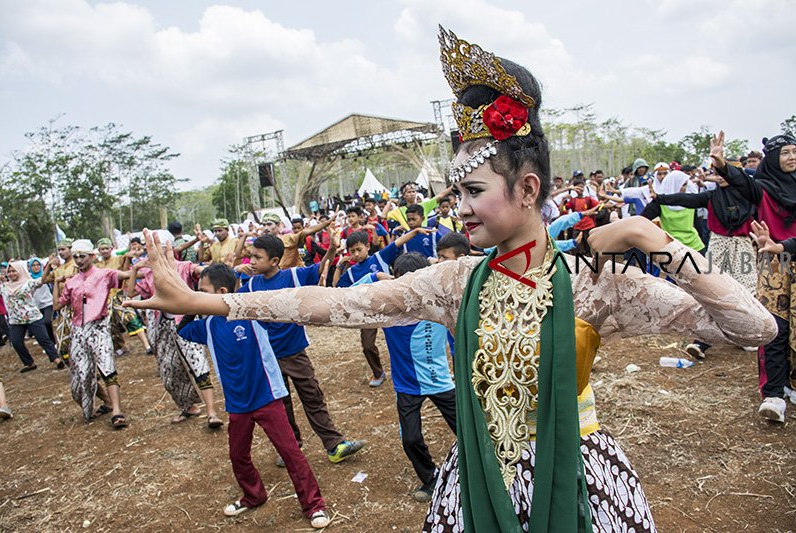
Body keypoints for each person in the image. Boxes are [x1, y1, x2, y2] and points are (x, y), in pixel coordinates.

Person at [127, 27, 777, 533]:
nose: (458, 205)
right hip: (476, 484)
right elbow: (339, 303)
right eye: (454, 189)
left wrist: (649, 239)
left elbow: (754, 329)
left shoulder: (596, 285)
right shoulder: (455, 280)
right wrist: (205, 300)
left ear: (527, 188)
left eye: (472, 188)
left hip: (576, 479)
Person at [177, 264, 330, 529]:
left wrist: (246, 279)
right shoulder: (209, 325)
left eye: (203, 292)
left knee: (291, 452)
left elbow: (272, 301)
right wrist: (192, 304)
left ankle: (314, 505)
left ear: (222, 292)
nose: (198, 296)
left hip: (267, 397)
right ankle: (253, 495)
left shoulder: (252, 314)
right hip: (237, 405)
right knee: (238, 456)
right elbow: (183, 331)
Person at [238, 234, 366, 463]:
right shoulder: (250, 286)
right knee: (281, 405)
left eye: (257, 257)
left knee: (312, 397)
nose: (252, 262)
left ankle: (334, 445)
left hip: (295, 352)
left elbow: (319, 269)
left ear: (275, 260)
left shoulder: (293, 276)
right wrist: (237, 269)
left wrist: (332, 250)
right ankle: (290, 447)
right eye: (251, 257)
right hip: (268, 357)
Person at [356, 253, 457, 503]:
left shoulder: (439, 304)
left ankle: (478, 472)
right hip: (407, 388)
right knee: (410, 439)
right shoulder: (388, 311)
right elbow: (351, 293)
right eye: (403, 283)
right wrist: (375, 276)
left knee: (468, 430)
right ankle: (431, 479)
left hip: (441, 383)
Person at [712, 131, 796, 423]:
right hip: (777, 266)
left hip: (789, 252)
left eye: (794, 151)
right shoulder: (764, 190)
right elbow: (742, 182)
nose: (792, 157)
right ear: (773, 157)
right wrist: (722, 164)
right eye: (785, 152)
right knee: (776, 329)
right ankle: (774, 393)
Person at [647, 165, 757, 357]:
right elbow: (688, 199)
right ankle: (702, 342)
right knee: (712, 291)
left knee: (746, 290)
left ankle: (746, 335)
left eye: (726, 173)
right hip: (718, 245)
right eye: (718, 174)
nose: (721, 177)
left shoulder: (750, 196)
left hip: (743, 246)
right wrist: (661, 198)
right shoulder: (711, 197)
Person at [127, 254, 222, 428]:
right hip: (163, 327)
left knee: (198, 366)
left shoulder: (184, 267)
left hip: (186, 321)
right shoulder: (150, 274)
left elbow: (199, 272)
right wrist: (134, 269)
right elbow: (130, 292)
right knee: (169, 371)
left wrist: (212, 271)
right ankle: (188, 407)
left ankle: (211, 412)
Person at [333, 226, 437, 385]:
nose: (355, 254)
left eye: (359, 249)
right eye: (352, 251)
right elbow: (337, 288)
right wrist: (340, 266)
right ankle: (378, 373)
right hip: (369, 312)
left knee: (404, 339)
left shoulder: (379, 258)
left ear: (367, 247)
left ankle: (421, 368)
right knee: (367, 345)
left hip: (391, 306)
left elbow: (397, 243)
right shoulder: (351, 272)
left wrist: (415, 231)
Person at [56, 239, 131, 428]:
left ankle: (117, 411)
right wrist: (57, 283)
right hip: (78, 331)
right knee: (82, 373)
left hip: (99, 327)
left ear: (92, 256)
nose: (79, 260)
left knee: (107, 368)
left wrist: (134, 264)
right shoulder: (72, 282)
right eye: (76, 257)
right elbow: (58, 304)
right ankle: (105, 401)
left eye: (83, 256)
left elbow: (126, 277)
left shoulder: (104, 275)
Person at [0, 261, 64, 371]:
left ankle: (56, 359)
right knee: (16, 342)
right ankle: (29, 363)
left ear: (19, 271)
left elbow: (42, 280)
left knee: (43, 339)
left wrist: (47, 266)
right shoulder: (3, 287)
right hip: (15, 320)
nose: (11, 273)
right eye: (9, 272)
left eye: (14, 271)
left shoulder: (28, 283)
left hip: (32, 317)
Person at [94, 238, 153, 357]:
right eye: (102, 249)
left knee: (130, 317)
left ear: (111, 249)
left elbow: (127, 265)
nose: (104, 251)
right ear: (99, 251)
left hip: (119, 295)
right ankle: (121, 346)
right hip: (104, 298)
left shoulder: (118, 259)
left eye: (106, 248)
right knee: (109, 324)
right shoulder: (96, 266)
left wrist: (130, 256)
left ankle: (147, 346)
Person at [51, 238, 78, 362]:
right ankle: (74, 365)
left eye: (63, 249)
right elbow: (44, 279)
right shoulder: (58, 269)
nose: (61, 252)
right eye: (59, 250)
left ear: (71, 250)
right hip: (64, 307)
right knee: (62, 341)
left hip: (79, 306)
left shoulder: (78, 265)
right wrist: (48, 265)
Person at [27, 258, 56, 344]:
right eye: (33, 265)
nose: (36, 267)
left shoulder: (45, 276)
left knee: (47, 321)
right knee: (40, 325)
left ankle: (53, 341)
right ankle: (45, 341)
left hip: (47, 303)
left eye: (38, 265)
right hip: (36, 305)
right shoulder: (28, 279)